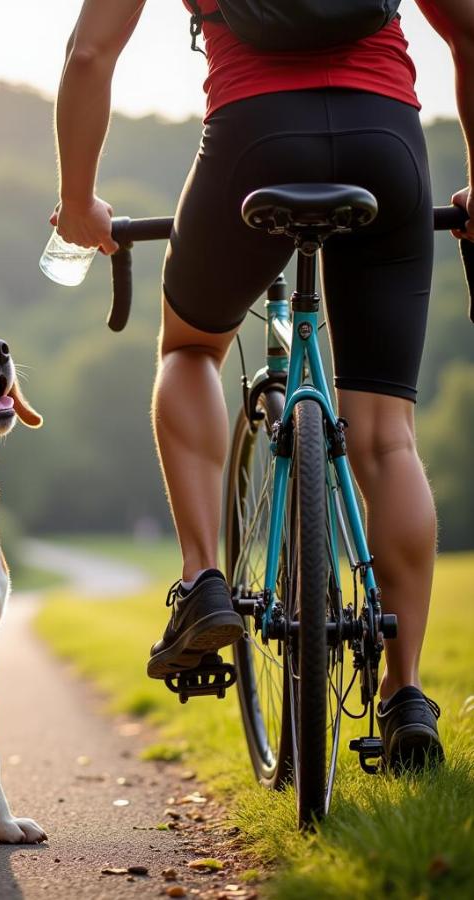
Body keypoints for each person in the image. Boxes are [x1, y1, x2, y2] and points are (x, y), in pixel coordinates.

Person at [50, 0, 474, 769]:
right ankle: (407, 693)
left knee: (187, 349)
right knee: (385, 436)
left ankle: (202, 579)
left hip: (253, 142)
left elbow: (89, 54)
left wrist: (79, 204)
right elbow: (470, 29)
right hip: (387, 141)